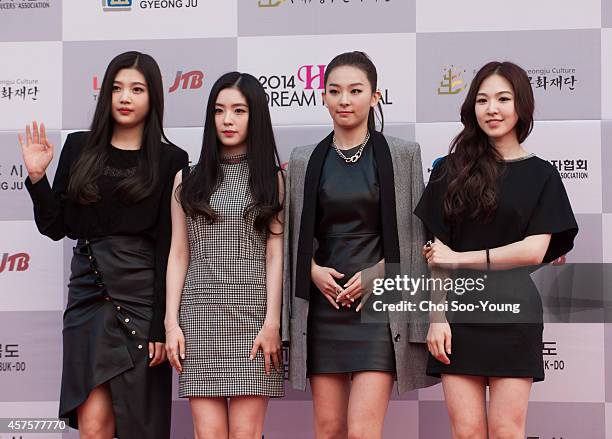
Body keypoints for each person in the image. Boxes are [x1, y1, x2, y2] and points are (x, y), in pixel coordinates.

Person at [19, 51, 188, 438]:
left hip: (141, 298)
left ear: (153, 98)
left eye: (137, 89)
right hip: (88, 298)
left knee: (139, 427)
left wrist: (164, 324)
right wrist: (37, 178)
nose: (125, 97)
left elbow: (170, 247)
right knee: (93, 427)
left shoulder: (171, 159)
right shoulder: (79, 147)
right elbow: (57, 226)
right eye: (117, 88)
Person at [414, 61, 578, 439]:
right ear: (473, 107)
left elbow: (535, 251)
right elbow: (435, 254)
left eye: (503, 98)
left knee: (506, 430)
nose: (492, 109)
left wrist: (463, 258)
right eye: (483, 99)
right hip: (458, 315)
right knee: (467, 431)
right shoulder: (450, 171)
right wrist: (436, 318)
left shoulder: (542, 175)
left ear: (521, 106)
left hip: (515, 315)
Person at [283, 51, 436, 439]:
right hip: (324, 307)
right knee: (329, 428)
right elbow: (294, 239)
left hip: (378, 310)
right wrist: (312, 271)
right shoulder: (303, 160)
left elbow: (414, 236)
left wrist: (381, 273)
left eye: (355, 90)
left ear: (375, 96)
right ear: (323, 97)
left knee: (364, 431)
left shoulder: (403, 154)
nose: (344, 100)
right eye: (335, 91)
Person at [164, 72, 285, 439]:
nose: (227, 120)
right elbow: (179, 253)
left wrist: (272, 323)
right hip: (199, 318)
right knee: (208, 434)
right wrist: (172, 323)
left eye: (238, 111)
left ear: (256, 117)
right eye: (219, 111)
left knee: (247, 434)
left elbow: (275, 255)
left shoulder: (273, 179)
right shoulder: (187, 178)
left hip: (253, 320)